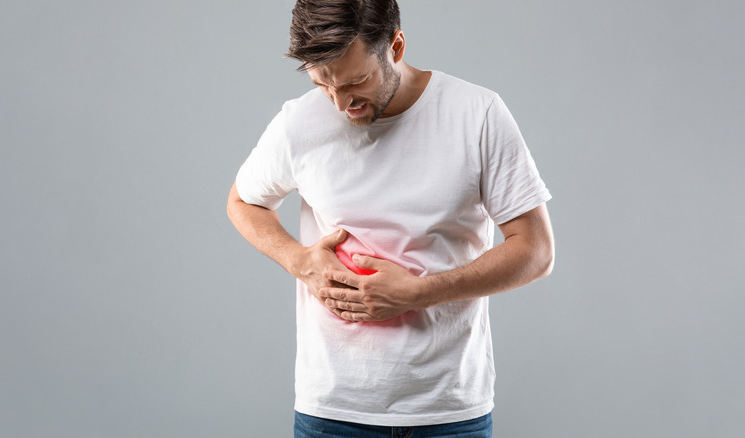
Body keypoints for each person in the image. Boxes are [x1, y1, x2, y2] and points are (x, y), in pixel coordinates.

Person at [227, 0, 555, 436]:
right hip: (333, 412)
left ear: (396, 46)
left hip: (449, 411)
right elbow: (243, 201)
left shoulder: (477, 114)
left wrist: (419, 293)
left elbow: (535, 251)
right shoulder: (300, 122)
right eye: (324, 84)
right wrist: (298, 261)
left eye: (356, 81)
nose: (342, 103)